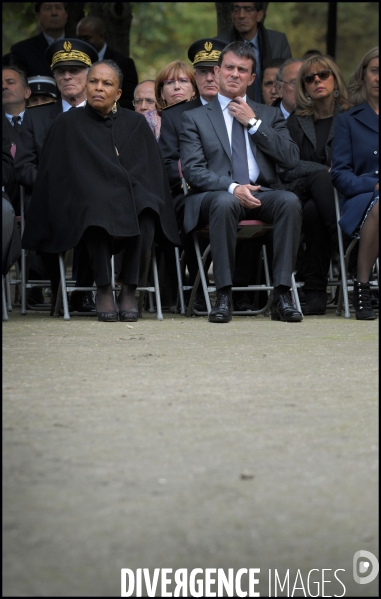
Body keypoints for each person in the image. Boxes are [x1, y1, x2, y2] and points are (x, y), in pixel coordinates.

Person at [21, 60, 180, 323]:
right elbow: (55, 176)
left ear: (118, 93)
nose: (98, 88)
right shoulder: (66, 124)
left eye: (107, 84)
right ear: (86, 86)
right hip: (81, 207)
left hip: (128, 197)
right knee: (94, 204)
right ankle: (103, 288)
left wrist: (129, 189)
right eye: (94, 81)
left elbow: (150, 173)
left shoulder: (135, 123)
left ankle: (130, 289)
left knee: (148, 207)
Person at [180, 41, 302, 324]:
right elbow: (194, 172)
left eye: (242, 70)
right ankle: (223, 296)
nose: (235, 74)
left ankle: (282, 296)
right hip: (216, 196)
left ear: (252, 78)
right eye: (229, 67)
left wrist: (255, 124)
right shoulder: (194, 118)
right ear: (218, 71)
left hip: (262, 195)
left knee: (290, 201)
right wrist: (234, 187)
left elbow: (291, 159)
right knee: (225, 201)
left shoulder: (269, 115)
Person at [14, 38, 99, 315]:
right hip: (50, 198)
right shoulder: (36, 118)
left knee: (97, 210)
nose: (67, 76)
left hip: (94, 198)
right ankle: (59, 290)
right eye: (61, 71)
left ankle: (84, 293)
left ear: (88, 75)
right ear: (54, 76)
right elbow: (23, 166)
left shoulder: (104, 115)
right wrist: (53, 185)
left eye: (74, 70)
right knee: (42, 209)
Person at [158, 38, 227, 312]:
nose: (210, 77)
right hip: (190, 193)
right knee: (190, 209)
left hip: (233, 192)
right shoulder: (177, 115)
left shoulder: (240, 109)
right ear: (196, 77)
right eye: (202, 72)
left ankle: (245, 292)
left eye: (215, 70)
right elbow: (168, 161)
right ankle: (198, 287)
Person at [280, 55, 350, 315]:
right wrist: (325, 171)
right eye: (309, 78)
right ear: (303, 86)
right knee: (321, 179)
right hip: (301, 188)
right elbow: (288, 165)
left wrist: (336, 175)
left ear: (335, 78)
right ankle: (345, 243)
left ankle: (315, 292)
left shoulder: (352, 115)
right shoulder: (296, 121)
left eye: (323, 75)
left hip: (346, 193)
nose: (317, 81)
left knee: (313, 211)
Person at [331, 47, 379, 320]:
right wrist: (372, 186)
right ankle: (362, 285)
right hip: (361, 199)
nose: (379, 77)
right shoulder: (349, 120)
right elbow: (339, 174)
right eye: (374, 71)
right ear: (363, 75)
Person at [217, 2, 291, 103]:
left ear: (259, 15)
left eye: (248, 9)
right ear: (232, 15)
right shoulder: (220, 44)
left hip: (274, 108)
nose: (241, 15)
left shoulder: (277, 41)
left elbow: (290, 79)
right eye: (236, 10)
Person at [76, 16, 138, 111]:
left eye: (87, 38)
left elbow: (130, 100)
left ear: (101, 37)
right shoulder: (75, 62)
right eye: (79, 38)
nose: (82, 42)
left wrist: (104, 105)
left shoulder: (124, 63)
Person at [10, 2, 68, 78]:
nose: (54, 13)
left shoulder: (81, 47)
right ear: (38, 16)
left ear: (66, 14)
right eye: (48, 8)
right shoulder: (22, 51)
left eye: (58, 8)